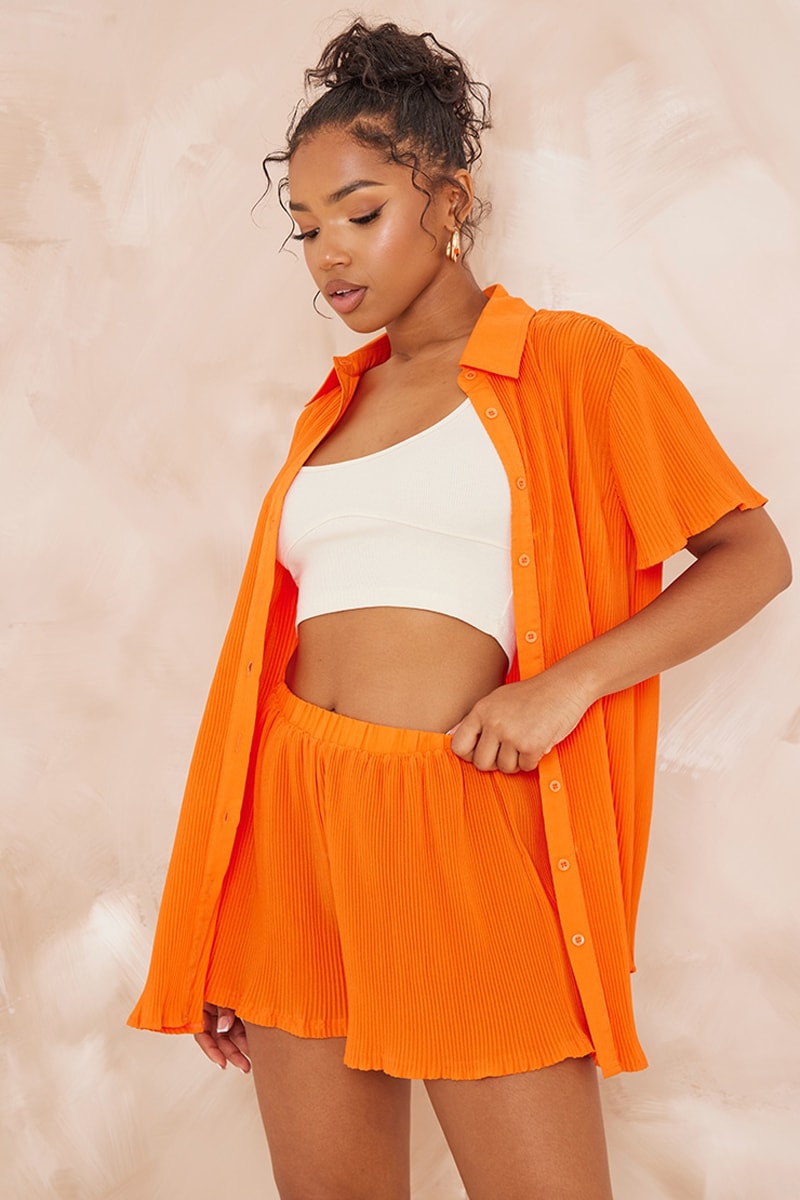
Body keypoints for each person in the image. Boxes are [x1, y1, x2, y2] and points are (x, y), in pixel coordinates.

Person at [127, 18, 791, 1200]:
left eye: (360, 211)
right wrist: (226, 909)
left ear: (449, 200)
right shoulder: (332, 408)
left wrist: (564, 687)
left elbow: (751, 556)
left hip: (460, 816)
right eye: (306, 227)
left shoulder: (573, 367)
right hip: (293, 835)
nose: (329, 254)